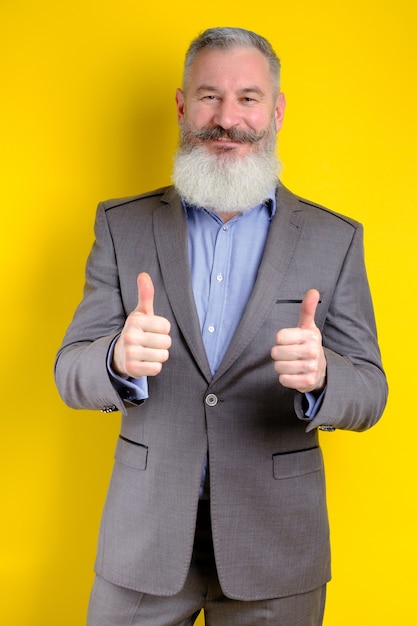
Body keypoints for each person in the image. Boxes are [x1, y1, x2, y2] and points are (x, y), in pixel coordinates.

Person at [55, 26, 387, 626]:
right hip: (144, 543)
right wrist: (114, 359)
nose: (226, 118)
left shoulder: (335, 239)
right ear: (182, 106)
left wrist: (322, 377)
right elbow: (68, 371)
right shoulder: (120, 226)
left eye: (248, 98)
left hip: (277, 552)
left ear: (277, 111)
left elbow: (371, 391)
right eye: (208, 96)